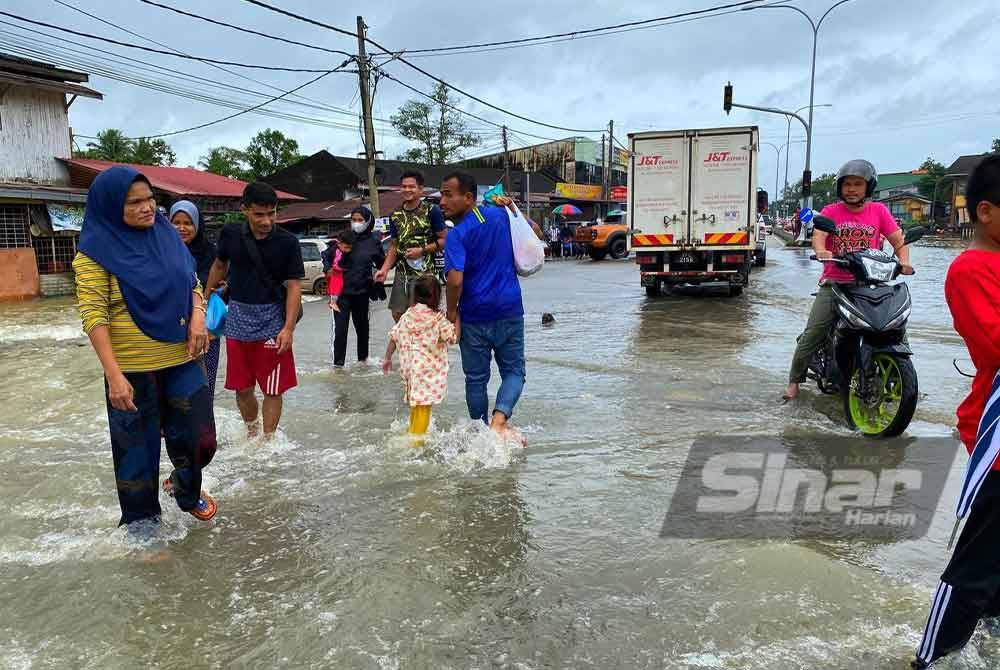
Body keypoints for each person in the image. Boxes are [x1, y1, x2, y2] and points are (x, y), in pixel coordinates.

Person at [73, 166, 217, 526]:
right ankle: (142, 525)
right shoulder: (95, 251)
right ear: (110, 207)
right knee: (136, 451)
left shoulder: (166, 236)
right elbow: (94, 316)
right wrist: (114, 376)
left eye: (150, 198)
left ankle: (185, 489)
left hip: (182, 356)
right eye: (134, 202)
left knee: (201, 439)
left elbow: (191, 281)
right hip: (130, 369)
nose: (147, 207)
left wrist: (198, 316)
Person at [912, 155, 1000, 668]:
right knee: (975, 570)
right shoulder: (972, 268)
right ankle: (929, 659)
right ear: (985, 212)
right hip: (997, 444)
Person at [783, 159, 913, 401]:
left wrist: (904, 261)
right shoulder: (832, 212)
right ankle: (794, 381)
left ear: (868, 187)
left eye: (858, 184)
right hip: (836, 281)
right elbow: (819, 236)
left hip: (870, 283)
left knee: (896, 329)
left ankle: (899, 378)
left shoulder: (879, 211)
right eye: (847, 184)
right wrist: (822, 251)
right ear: (840, 188)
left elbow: (898, 241)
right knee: (813, 333)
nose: (852, 189)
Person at [440, 171, 544, 442]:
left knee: (476, 379)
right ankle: (500, 421)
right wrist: (510, 206)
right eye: (441, 194)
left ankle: (480, 433)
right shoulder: (500, 215)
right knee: (514, 372)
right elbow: (533, 231)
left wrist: (451, 313)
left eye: (448, 195)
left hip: (474, 315)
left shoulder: (457, 235)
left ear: (469, 197)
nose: (442, 201)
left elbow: (454, 280)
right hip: (509, 309)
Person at [205, 182, 304, 440]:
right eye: (259, 214)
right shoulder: (229, 235)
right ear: (244, 210)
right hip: (237, 319)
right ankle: (252, 432)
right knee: (242, 387)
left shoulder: (288, 242)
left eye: (272, 213)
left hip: (273, 320)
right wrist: (203, 302)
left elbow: (294, 286)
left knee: (273, 388)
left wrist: (288, 329)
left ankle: (268, 440)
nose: (266, 221)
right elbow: (218, 266)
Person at [382, 275, 457, 441]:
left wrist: (387, 358)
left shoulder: (408, 315)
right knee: (424, 407)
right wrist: (458, 316)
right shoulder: (437, 319)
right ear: (436, 297)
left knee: (417, 405)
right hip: (428, 372)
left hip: (411, 370)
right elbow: (453, 337)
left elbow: (394, 336)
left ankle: (412, 433)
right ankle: (416, 443)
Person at [374, 170, 447, 322]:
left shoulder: (432, 211)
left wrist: (422, 250)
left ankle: (425, 345)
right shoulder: (395, 214)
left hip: (425, 274)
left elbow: (444, 240)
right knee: (398, 314)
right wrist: (384, 270)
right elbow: (394, 246)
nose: (407, 190)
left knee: (425, 317)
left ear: (420, 189)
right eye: (404, 186)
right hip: (402, 273)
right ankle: (406, 345)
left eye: (412, 186)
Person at [170, 200, 222, 398]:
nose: (182, 228)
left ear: (198, 225)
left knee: (204, 386)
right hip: (170, 330)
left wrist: (221, 289)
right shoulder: (161, 252)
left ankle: (205, 426)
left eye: (188, 223)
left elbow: (227, 281)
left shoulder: (212, 254)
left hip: (206, 330)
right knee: (174, 391)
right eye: (176, 222)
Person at [325, 207, 385, 368]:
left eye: (360, 220)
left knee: (363, 329)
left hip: (362, 293)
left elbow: (382, 263)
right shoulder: (345, 237)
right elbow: (327, 255)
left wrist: (380, 275)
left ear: (368, 222)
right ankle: (338, 366)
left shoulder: (374, 242)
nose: (356, 223)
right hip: (341, 295)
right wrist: (327, 269)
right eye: (354, 219)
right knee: (340, 331)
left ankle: (363, 363)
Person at [325, 230, 354, 313]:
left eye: (350, 248)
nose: (347, 250)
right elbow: (327, 257)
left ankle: (332, 301)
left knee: (336, 286)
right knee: (337, 286)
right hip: (335, 272)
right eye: (346, 247)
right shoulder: (334, 250)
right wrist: (328, 268)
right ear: (339, 243)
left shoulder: (342, 251)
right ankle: (333, 302)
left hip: (338, 271)